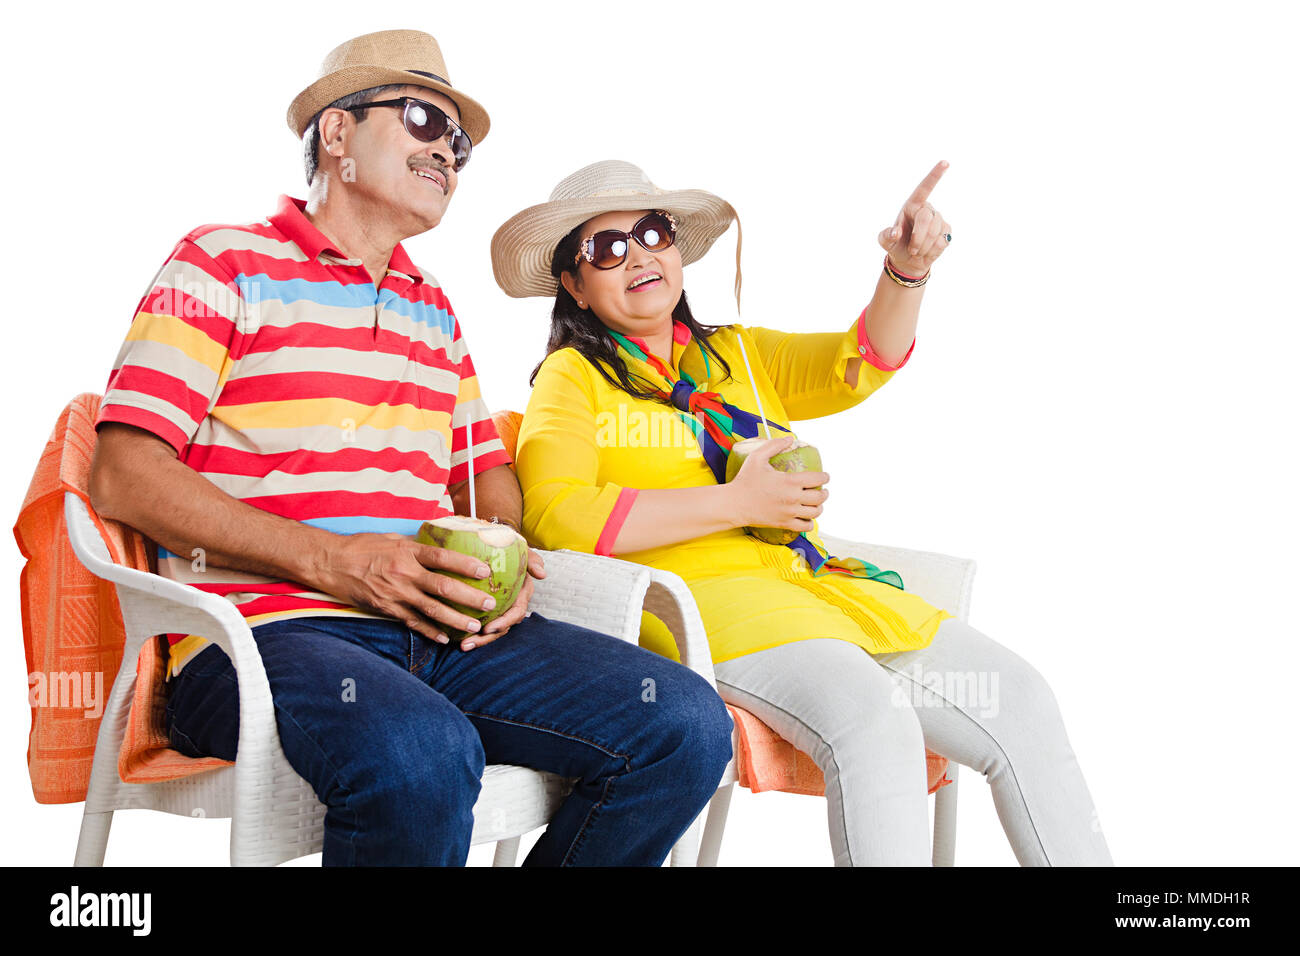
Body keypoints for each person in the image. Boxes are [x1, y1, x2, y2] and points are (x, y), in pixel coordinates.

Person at [87, 33, 731, 867]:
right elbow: (123, 473)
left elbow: (488, 480)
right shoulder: (219, 264)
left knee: (682, 724)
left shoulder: (433, 308)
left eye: (457, 142)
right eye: (424, 119)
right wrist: (337, 562)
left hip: (437, 629)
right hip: (260, 639)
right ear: (337, 134)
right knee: (423, 754)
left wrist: (498, 558)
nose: (447, 152)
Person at [492, 159, 1113, 866]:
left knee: (1023, 702)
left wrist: (905, 270)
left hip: (825, 590)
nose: (638, 254)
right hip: (709, 611)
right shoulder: (573, 378)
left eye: (653, 231)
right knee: (875, 724)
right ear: (573, 283)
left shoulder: (740, 356)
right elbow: (556, 516)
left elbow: (859, 361)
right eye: (606, 248)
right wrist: (736, 503)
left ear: (677, 250)